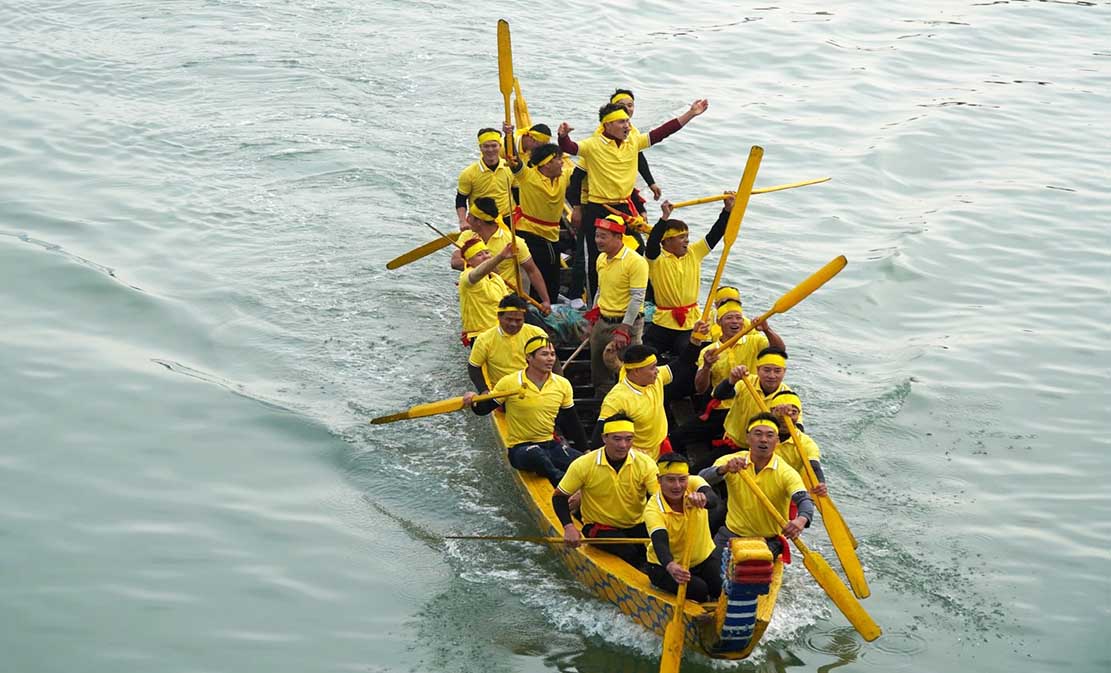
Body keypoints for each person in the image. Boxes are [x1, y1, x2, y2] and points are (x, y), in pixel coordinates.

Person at [558, 98, 708, 301]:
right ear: (607, 124)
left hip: (624, 207)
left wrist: (691, 113)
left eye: (628, 122)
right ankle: (595, 306)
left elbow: (662, 132)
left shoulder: (633, 141)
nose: (627, 126)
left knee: (642, 250)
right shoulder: (593, 144)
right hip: (598, 208)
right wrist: (563, 136)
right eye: (621, 122)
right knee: (595, 259)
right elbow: (570, 148)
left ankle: (648, 300)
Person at [467, 336, 588, 485]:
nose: (550, 359)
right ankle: (561, 481)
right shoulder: (509, 382)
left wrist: (586, 451)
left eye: (552, 354)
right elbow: (483, 409)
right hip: (521, 448)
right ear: (529, 357)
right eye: (544, 354)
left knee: (584, 463)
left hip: (550, 445)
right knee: (537, 456)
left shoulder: (562, 384)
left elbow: (572, 421)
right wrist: (473, 400)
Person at [671, 301, 785, 458]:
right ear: (719, 322)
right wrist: (707, 367)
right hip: (722, 408)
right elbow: (700, 388)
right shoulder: (709, 351)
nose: (735, 322)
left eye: (738, 318)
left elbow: (779, 350)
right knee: (677, 437)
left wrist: (767, 329)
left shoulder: (755, 341)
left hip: (750, 407)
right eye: (729, 318)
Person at [698, 413, 814, 559]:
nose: (763, 440)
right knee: (710, 571)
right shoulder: (731, 461)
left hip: (767, 540)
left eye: (769, 435)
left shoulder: (786, 472)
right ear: (747, 438)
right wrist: (723, 469)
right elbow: (701, 478)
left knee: (750, 575)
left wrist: (801, 520)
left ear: (777, 441)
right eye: (757, 434)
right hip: (730, 534)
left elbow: (805, 500)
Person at [553, 414, 659, 567]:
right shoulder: (583, 464)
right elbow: (559, 497)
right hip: (600, 526)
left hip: (636, 523)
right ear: (604, 438)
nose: (623, 445)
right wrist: (568, 527)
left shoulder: (645, 464)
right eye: (617, 439)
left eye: (629, 439)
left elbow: (659, 497)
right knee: (630, 552)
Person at [642, 194, 734, 357]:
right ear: (667, 241)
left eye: (687, 237)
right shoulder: (655, 259)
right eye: (681, 237)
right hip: (662, 321)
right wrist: (664, 218)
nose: (686, 241)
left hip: (690, 323)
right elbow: (652, 242)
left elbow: (714, 235)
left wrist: (727, 210)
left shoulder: (694, 253)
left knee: (689, 355)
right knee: (647, 353)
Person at [592, 343, 699, 459]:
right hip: (637, 458)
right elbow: (599, 436)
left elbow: (682, 364)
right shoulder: (616, 399)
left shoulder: (656, 379)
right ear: (637, 371)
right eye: (652, 367)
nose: (657, 371)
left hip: (661, 449)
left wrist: (696, 339)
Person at [451, 197, 552, 314]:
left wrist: (545, 301)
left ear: (479, 221)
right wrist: (486, 263)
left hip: (505, 298)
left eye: (470, 217)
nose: (466, 220)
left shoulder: (513, 242)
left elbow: (532, 271)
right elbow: (455, 262)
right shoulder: (467, 236)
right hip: (476, 295)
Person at [644, 453, 722, 602]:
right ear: (659, 480)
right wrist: (670, 565)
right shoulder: (653, 509)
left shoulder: (695, 482)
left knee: (721, 588)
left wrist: (704, 499)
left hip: (703, 559)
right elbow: (660, 541)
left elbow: (713, 500)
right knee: (700, 590)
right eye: (671, 480)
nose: (677, 486)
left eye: (682, 479)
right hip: (664, 567)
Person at [503, 138, 570, 303]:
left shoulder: (563, 176)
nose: (563, 163)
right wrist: (509, 135)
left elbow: (586, 164)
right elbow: (513, 157)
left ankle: (550, 305)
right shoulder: (527, 176)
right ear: (547, 164)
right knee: (533, 274)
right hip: (530, 233)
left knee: (553, 277)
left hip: (552, 235)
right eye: (559, 160)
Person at [588, 214, 648, 395]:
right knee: (599, 369)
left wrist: (624, 329)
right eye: (597, 235)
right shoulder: (601, 259)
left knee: (630, 369)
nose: (598, 240)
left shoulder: (636, 262)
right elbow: (600, 289)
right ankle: (603, 402)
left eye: (603, 236)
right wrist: (592, 317)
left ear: (618, 238)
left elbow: (637, 298)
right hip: (603, 321)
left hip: (627, 323)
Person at [712, 347, 795, 449]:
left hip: (763, 451)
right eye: (767, 370)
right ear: (758, 369)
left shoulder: (789, 397)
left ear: (784, 372)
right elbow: (719, 395)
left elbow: (795, 431)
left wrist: (782, 418)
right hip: (733, 443)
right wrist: (731, 380)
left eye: (777, 371)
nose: (772, 376)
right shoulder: (745, 382)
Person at [467, 294, 548, 391]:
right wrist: (484, 390)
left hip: (533, 388)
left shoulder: (537, 334)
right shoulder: (484, 339)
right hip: (502, 392)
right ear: (499, 317)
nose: (513, 324)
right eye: (509, 319)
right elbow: (474, 366)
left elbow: (552, 361)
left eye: (518, 320)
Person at [768, 391, 828, 497]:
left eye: (793, 412)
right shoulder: (760, 434)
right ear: (771, 412)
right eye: (779, 411)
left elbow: (814, 467)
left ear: (798, 416)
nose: (785, 417)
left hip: (788, 492)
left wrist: (820, 483)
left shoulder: (806, 443)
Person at [457, 239, 514, 346]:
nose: (486, 256)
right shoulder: (466, 277)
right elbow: (478, 273)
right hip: (481, 336)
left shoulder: (496, 278)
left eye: (487, 252)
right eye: (479, 255)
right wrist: (500, 257)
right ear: (469, 261)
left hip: (502, 332)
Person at [456, 127, 514, 229]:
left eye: (494, 146)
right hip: (480, 222)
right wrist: (462, 221)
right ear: (480, 148)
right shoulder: (469, 173)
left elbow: (517, 193)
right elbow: (461, 199)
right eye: (486, 146)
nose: (490, 150)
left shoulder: (510, 168)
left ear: (500, 146)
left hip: (508, 219)